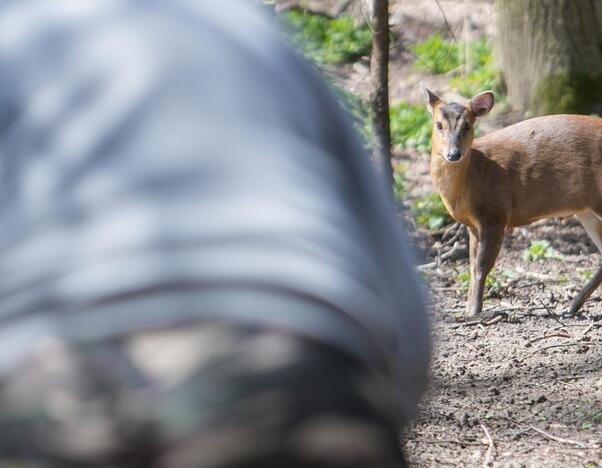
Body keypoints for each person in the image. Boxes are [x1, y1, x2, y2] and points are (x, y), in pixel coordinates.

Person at [0, 0, 431, 466]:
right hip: (285, 346)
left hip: (51, 359)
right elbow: (399, 301)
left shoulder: (13, 39)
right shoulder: (252, 34)